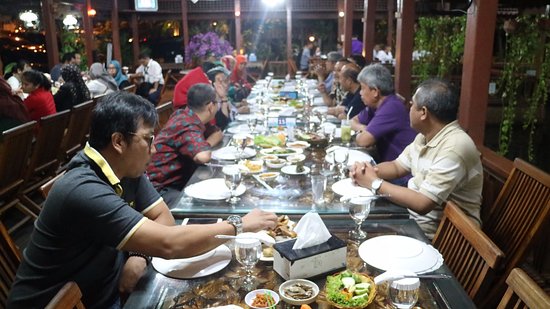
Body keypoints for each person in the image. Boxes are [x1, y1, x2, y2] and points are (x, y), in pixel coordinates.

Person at [7, 91, 277, 308]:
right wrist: (239, 225)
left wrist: (137, 254)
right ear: (118, 141)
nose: (155, 148)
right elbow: (169, 243)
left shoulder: (124, 168)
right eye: (148, 139)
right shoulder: (82, 188)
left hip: (106, 289)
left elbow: (165, 222)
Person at [350, 79, 482, 239]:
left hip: (445, 238)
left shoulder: (455, 146)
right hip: (412, 221)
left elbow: (422, 203)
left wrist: (374, 182)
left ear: (423, 113)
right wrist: (366, 171)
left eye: (412, 105)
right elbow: (397, 166)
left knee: (355, 237)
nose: (409, 109)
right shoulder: (425, 136)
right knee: (353, 228)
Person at [147, 84, 224, 206]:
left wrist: (208, 141)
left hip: (177, 182)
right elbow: (203, 156)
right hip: (160, 190)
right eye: (217, 102)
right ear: (210, 106)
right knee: (210, 202)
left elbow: (217, 133)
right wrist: (208, 143)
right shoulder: (186, 123)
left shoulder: (185, 114)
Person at [351, 64, 417, 165]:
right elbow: (352, 121)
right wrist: (365, 129)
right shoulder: (374, 106)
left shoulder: (392, 107)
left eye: (363, 88)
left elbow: (363, 141)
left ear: (375, 92)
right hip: (386, 165)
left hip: (401, 175)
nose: (360, 93)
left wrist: (363, 132)